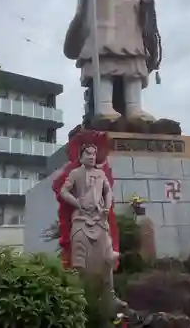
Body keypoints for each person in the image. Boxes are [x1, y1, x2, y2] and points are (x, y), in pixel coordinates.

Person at [63, 0, 161, 122]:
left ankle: (134, 108)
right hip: (102, 26)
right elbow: (83, 2)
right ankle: (104, 105)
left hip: (129, 29)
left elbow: (138, 3)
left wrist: (146, 1)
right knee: (104, 68)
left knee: (132, 69)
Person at [52, 130, 125, 308]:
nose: (92, 157)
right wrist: (77, 203)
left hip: (100, 220)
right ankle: (79, 297)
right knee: (79, 261)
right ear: (81, 155)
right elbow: (63, 191)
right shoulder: (76, 173)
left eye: (94, 154)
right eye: (88, 154)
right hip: (81, 222)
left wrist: (107, 207)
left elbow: (108, 191)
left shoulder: (101, 174)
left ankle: (110, 296)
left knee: (107, 258)